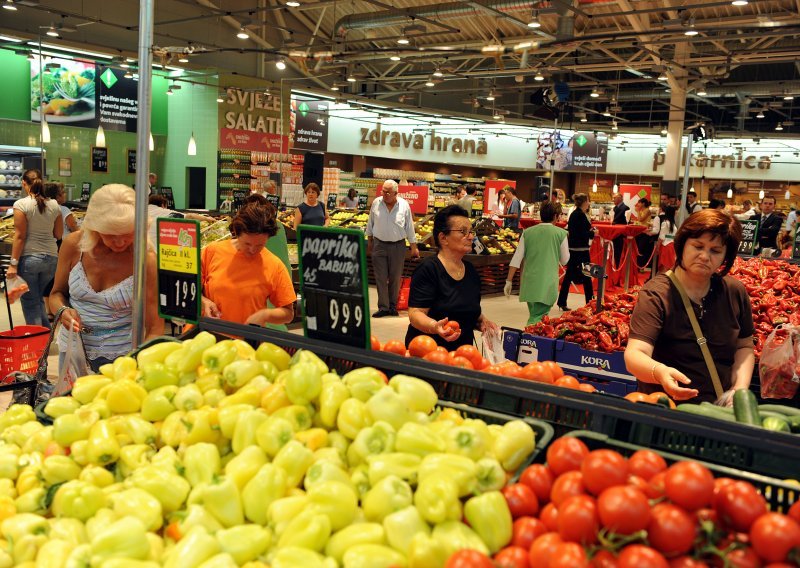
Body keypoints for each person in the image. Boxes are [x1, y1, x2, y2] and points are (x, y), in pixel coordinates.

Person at [624, 210, 754, 405]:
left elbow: (744, 346)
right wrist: (659, 372)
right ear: (682, 244)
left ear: (726, 256)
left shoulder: (734, 291)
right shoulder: (657, 294)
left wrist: (739, 389)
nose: (704, 256)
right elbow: (635, 354)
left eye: (715, 251)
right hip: (668, 409)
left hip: (719, 411)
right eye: (698, 246)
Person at [49, 184, 164, 372]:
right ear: (95, 227)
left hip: (123, 358)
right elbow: (56, 294)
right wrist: (62, 311)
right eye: (110, 235)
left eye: (128, 234)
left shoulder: (146, 260)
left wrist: (136, 364)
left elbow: (155, 328)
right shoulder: (74, 245)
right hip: (72, 350)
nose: (119, 242)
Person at [406, 205, 499, 349]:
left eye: (471, 231)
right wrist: (434, 326)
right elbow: (415, 313)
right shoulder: (428, 269)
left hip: (462, 354)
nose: (471, 236)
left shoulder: (471, 271)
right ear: (443, 238)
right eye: (463, 231)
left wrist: (483, 322)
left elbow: (470, 310)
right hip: (428, 350)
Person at [201, 201, 295, 326]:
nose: (252, 250)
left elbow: (288, 314)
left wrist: (265, 314)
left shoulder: (274, 265)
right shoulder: (212, 251)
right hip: (208, 337)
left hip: (247, 341)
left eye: (260, 245)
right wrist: (204, 302)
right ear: (236, 233)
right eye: (247, 244)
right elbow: (191, 290)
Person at [7, 169, 63, 328]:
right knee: (37, 298)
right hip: (52, 258)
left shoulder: (21, 205)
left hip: (30, 259)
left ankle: (38, 342)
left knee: (31, 301)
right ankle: (45, 337)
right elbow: (58, 234)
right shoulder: (54, 205)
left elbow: (20, 236)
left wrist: (13, 264)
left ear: (24, 183)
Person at [504, 201, 569, 325]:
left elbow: (517, 258)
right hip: (547, 283)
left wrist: (509, 280)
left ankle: (533, 339)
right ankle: (529, 340)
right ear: (555, 216)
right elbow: (564, 260)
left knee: (535, 315)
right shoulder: (561, 234)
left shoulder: (527, 232)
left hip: (530, 282)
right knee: (537, 319)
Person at [366, 179, 420, 318]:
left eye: (388, 192)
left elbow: (409, 227)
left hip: (398, 245)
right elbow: (370, 223)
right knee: (380, 277)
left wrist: (414, 247)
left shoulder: (404, 205)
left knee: (395, 277)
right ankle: (383, 307)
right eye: (383, 191)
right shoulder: (376, 203)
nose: (385, 194)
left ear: (396, 193)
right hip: (379, 244)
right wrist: (370, 241)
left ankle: (392, 306)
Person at [556, 193, 595, 310]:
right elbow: (582, 233)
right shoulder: (580, 215)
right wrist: (592, 233)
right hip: (581, 250)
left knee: (569, 276)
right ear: (584, 202)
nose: (589, 203)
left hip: (574, 249)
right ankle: (590, 303)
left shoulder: (575, 214)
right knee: (587, 277)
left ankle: (562, 301)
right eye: (588, 201)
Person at [147, 194, 215, 245]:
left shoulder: (141, 211)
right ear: (162, 205)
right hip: (156, 252)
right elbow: (190, 216)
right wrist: (207, 219)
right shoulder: (164, 212)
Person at [634, 198, 656, 268]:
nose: (638, 205)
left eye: (639, 203)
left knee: (641, 249)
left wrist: (637, 211)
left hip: (645, 232)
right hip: (640, 231)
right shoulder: (641, 210)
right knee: (638, 249)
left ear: (643, 203)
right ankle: (638, 265)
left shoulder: (647, 210)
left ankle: (641, 266)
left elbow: (641, 219)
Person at [611, 193, 630, 267]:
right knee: (615, 250)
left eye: (614, 198)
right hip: (614, 232)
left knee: (618, 251)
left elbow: (617, 220)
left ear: (620, 198)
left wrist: (613, 222)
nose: (613, 200)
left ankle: (618, 265)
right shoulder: (615, 208)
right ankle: (615, 265)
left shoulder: (625, 208)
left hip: (620, 233)